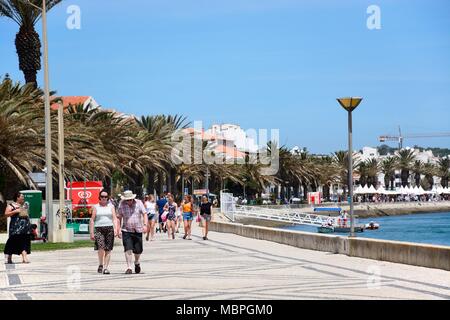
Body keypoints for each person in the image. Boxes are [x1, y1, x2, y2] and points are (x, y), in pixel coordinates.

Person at [116, 190, 148, 274]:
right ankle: (129, 267)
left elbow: (144, 214)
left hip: (138, 229)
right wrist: (118, 229)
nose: (128, 201)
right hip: (126, 230)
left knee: (138, 250)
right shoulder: (121, 204)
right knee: (128, 248)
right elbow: (119, 217)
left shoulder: (139, 203)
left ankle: (137, 262)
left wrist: (145, 225)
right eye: (127, 200)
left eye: (130, 199)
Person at [89, 189, 118, 274]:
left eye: (105, 197)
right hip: (99, 228)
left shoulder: (111, 207)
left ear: (108, 198)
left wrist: (116, 229)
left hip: (109, 228)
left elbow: (114, 218)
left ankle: (105, 267)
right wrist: (91, 232)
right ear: (99, 197)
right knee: (101, 247)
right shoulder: (95, 207)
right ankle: (101, 264)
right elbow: (92, 220)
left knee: (108, 249)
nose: (104, 198)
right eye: (102, 196)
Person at [4, 192, 31, 264]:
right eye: (22, 197)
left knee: (24, 242)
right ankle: (9, 258)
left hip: (25, 228)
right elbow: (6, 214)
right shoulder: (11, 205)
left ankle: (24, 258)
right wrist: (15, 211)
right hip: (15, 228)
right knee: (12, 242)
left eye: (23, 197)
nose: (23, 198)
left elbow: (27, 214)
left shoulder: (24, 205)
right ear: (17, 198)